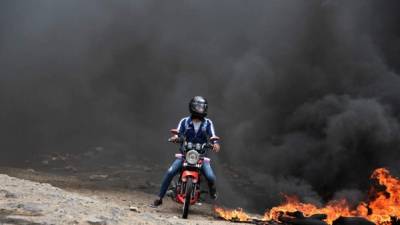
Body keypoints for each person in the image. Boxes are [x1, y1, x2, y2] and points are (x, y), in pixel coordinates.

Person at [152, 96, 221, 207]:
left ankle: (212, 192)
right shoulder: (184, 121)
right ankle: (159, 198)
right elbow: (178, 132)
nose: (200, 109)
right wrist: (175, 137)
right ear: (193, 107)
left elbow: (213, 136)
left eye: (202, 107)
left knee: (210, 176)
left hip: (201, 156)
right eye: (198, 107)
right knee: (170, 172)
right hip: (185, 155)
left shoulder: (208, 123)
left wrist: (215, 144)